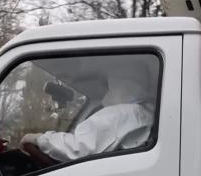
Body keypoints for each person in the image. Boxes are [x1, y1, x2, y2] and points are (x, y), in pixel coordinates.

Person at [19, 65, 155, 164]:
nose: (107, 91)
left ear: (118, 83)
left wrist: (38, 139)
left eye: (108, 85)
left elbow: (79, 148)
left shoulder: (124, 114)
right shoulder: (145, 112)